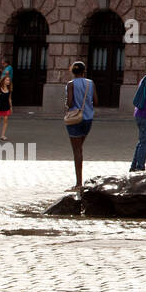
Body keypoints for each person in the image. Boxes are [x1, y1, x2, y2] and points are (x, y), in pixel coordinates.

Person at [64, 61, 96, 195]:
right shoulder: (90, 83)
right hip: (88, 118)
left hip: (75, 119)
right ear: (84, 71)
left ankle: (78, 183)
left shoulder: (71, 84)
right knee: (79, 148)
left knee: (77, 151)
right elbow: (97, 101)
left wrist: (66, 103)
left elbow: (70, 102)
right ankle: (79, 182)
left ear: (73, 72)